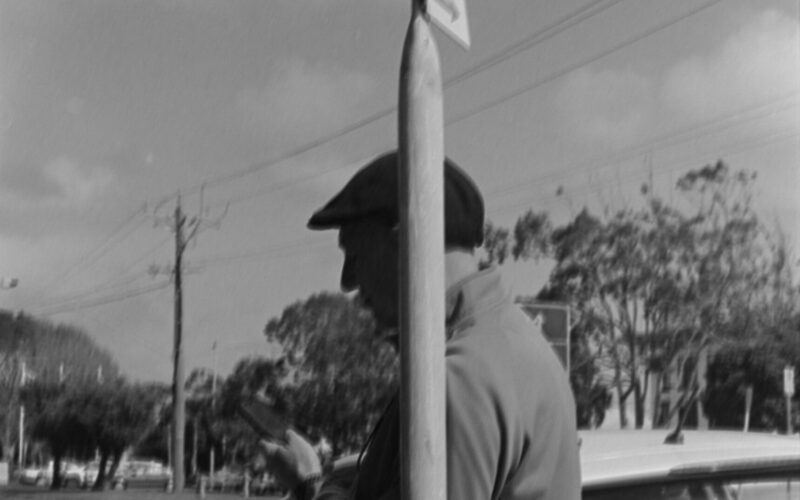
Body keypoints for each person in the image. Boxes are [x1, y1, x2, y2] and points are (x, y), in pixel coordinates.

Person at [258, 151, 581, 500]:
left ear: (407, 240)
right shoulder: (514, 343)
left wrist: (309, 485)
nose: (347, 281)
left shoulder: (460, 380)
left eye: (355, 254)